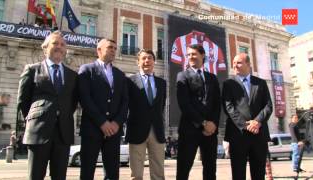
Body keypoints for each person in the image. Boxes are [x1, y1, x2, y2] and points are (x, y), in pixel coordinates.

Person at [17, 31, 78, 180]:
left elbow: (73, 103)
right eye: (55, 43)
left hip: (63, 134)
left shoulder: (72, 75)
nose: (59, 47)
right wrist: (36, 118)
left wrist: (61, 115)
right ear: (45, 48)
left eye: (63, 44)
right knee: (35, 176)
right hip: (38, 132)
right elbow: (23, 101)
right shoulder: (32, 70)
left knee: (59, 176)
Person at [78, 38, 128, 180]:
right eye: (110, 47)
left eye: (114, 48)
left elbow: (125, 102)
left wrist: (116, 123)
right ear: (99, 50)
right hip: (92, 129)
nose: (113, 50)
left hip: (114, 131)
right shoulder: (87, 70)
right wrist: (102, 122)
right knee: (87, 171)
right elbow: (85, 99)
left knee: (112, 173)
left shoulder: (120, 74)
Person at [222, 53, 273, 180]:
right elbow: (229, 107)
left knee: (258, 174)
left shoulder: (260, 83)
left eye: (238, 62)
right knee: (238, 174)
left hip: (259, 134)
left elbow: (268, 105)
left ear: (248, 64)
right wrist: (245, 125)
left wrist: (257, 122)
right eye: (234, 63)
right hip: (238, 135)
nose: (235, 65)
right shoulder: (228, 84)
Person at [176, 44, 221, 180]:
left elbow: (217, 103)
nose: (191, 57)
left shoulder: (212, 78)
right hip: (190, 129)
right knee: (184, 169)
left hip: (210, 132)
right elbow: (185, 104)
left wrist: (213, 124)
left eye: (194, 54)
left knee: (210, 169)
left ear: (202, 55)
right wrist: (203, 123)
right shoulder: (182, 76)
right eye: (188, 55)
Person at [126, 49, 167, 180]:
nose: (147, 61)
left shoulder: (162, 83)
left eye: (149, 58)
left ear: (154, 61)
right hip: (136, 130)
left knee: (158, 173)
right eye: (143, 58)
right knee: (136, 174)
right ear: (138, 62)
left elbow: (161, 106)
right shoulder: (130, 81)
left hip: (157, 131)